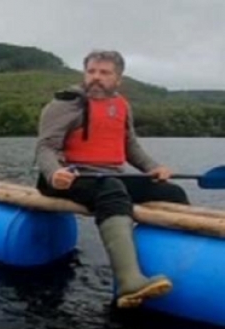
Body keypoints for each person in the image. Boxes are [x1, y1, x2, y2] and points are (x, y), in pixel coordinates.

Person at [34, 49, 190, 309]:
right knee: (112, 188)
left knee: (171, 192)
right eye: (91, 71)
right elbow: (46, 147)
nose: (96, 78)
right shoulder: (65, 103)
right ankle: (129, 281)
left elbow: (130, 147)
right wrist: (54, 173)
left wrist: (154, 168)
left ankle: (184, 266)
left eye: (104, 73)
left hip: (108, 177)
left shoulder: (122, 105)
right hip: (66, 178)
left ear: (118, 79)